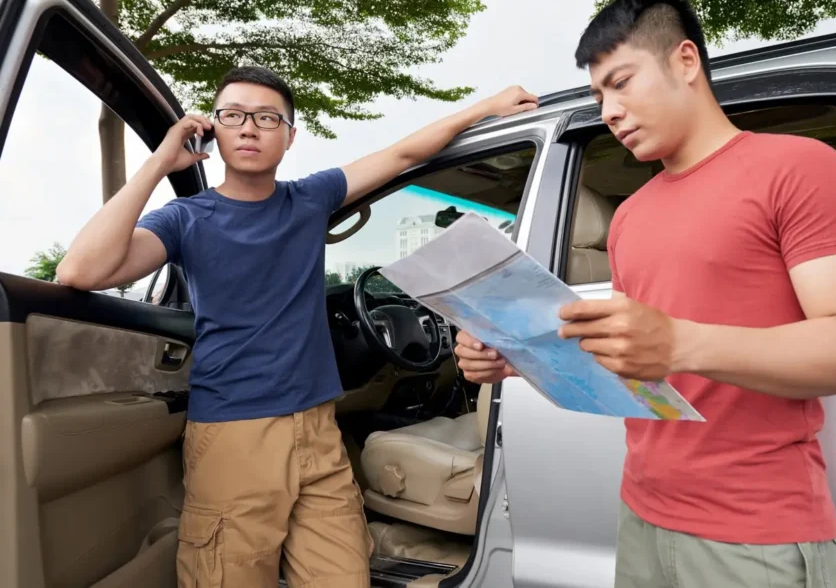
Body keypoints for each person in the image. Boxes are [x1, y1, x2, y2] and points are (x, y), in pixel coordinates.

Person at [454, 0, 836, 588]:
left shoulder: (799, 168)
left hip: (752, 529)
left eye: (621, 82)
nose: (610, 111)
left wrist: (679, 343)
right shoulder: (630, 216)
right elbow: (635, 368)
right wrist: (518, 355)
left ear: (685, 61)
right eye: (599, 96)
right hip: (641, 514)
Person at [57, 66, 538, 588]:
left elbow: (402, 155)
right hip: (234, 435)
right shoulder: (185, 218)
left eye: (267, 118)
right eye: (233, 116)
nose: (249, 128)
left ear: (289, 136)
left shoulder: (310, 198)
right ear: (212, 130)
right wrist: (158, 161)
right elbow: (80, 271)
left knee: (344, 577)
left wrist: (485, 107)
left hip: (320, 432)